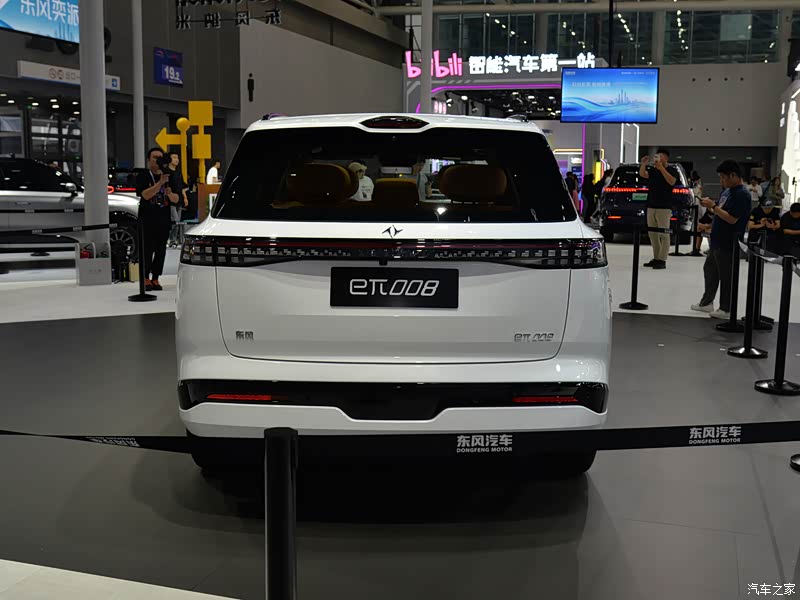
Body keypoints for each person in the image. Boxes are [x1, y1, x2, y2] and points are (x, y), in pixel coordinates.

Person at [690, 160, 751, 319]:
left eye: (723, 177)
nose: (721, 181)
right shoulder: (728, 191)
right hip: (717, 239)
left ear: (733, 175)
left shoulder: (741, 194)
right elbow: (721, 211)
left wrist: (714, 207)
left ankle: (726, 308)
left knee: (726, 276)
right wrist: (711, 210)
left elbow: (732, 219)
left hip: (729, 242)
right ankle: (706, 302)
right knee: (710, 269)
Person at [136, 147, 179, 292]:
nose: (158, 160)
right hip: (147, 219)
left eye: (160, 157)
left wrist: (170, 194)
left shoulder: (170, 176)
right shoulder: (143, 175)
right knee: (147, 250)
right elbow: (145, 195)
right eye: (155, 158)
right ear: (148, 160)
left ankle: (155, 277)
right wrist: (160, 183)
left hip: (164, 219)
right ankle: (145, 277)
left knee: (161, 250)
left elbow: (176, 199)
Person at [639, 148, 678, 270]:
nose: (658, 158)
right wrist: (643, 164)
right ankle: (656, 258)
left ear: (666, 158)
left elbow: (671, 182)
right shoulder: (653, 170)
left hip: (664, 207)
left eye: (660, 156)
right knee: (653, 234)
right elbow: (643, 174)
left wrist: (661, 168)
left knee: (664, 234)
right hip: (651, 205)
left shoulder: (672, 170)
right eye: (657, 156)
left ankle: (662, 259)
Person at [166, 152, 189, 246]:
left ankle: (174, 240)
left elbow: (182, 186)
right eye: (174, 157)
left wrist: (185, 197)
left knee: (178, 221)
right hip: (170, 200)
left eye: (177, 158)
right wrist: (170, 196)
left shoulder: (179, 171)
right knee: (174, 220)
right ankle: (170, 239)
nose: (177, 160)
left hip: (179, 199)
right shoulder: (167, 172)